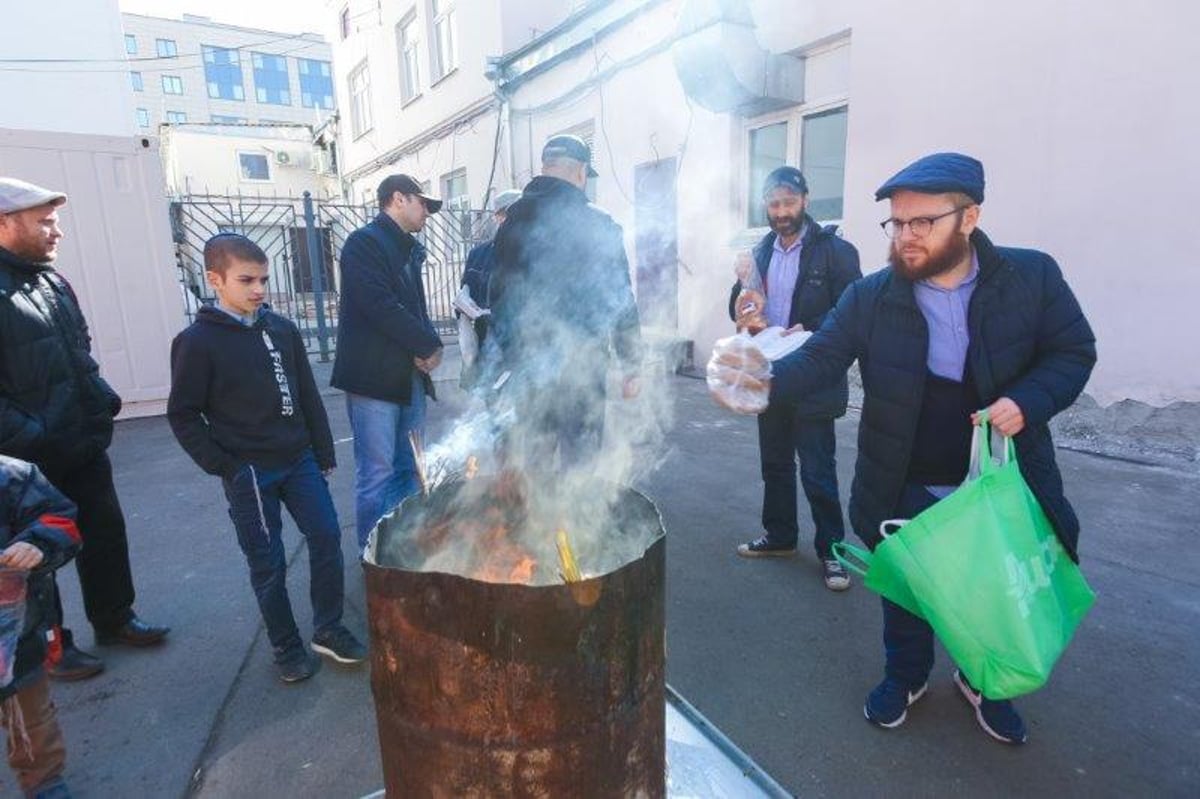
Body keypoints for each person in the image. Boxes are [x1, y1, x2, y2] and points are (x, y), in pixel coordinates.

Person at [718, 153, 1096, 744]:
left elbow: (1073, 352)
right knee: (909, 585)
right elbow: (820, 358)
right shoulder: (873, 296)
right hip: (902, 473)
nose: (907, 237)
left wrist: (1028, 401)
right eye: (897, 224)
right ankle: (907, 674)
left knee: (987, 589)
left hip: (995, 477)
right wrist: (762, 383)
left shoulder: (1031, 277)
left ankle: (984, 680)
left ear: (968, 217)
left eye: (923, 222)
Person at [168, 234, 366, 683]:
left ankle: (328, 627)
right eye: (246, 280)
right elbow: (182, 414)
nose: (258, 289)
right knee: (268, 561)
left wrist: (322, 448)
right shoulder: (197, 342)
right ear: (215, 280)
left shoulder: (281, 328)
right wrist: (227, 467)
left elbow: (306, 394)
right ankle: (286, 646)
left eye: (263, 279)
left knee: (326, 536)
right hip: (249, 473)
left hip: (299, 460)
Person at [0, 177, 169, 683]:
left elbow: (79, 352)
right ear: (5, 224)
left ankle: (115, 619)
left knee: (105, 534)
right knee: (37, 557)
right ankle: (53, 649)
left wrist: (102, 402)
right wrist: (34, 436)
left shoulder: (49, 281)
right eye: (44, 222)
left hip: (82, 443)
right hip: (29, 460)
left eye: (56, 222)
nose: (57, 233)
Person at [729, 166, 861, 591]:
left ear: (805, 200)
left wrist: (809, 328)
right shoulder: (761, 252)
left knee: (818, 470)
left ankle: (832, 552)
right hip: (771, 373)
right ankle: (780, 536)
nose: (781, 211)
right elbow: (744, 311)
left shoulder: (835, 252)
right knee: (776, 465)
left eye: (788, 202)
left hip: (814, 373)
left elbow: (853, 309)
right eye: (773, 204)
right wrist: (739, 285)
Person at [486, 135, 642, 468]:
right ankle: (576, 520)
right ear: (581, 172)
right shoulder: (599, 224)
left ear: (545, 168)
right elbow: (620, 300)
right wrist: (631, 365)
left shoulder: (512, 221)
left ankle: (535, 519)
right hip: (583, 370)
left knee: (535, 464)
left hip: (529, 371)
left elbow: (497, 297)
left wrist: (514, 354)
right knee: (580, 468)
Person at [331, 175, 444, 549]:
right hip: (374, 380)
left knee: (409, 468)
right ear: (398, 199)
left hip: (407, 376)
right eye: (422, 203)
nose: (426, 212)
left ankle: (402, 551)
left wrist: (428, 347)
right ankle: (372, 556)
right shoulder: (365, 243)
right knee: (378, 473)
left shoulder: (406, 248)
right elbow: (379, 305)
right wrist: (428, 343)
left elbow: (415, 309)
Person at [0, 455, 81, 799]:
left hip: (16, 631)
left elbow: (60, 519)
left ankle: (43, 779)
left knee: (30, 714)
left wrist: (36, 543)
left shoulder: (12, 476)